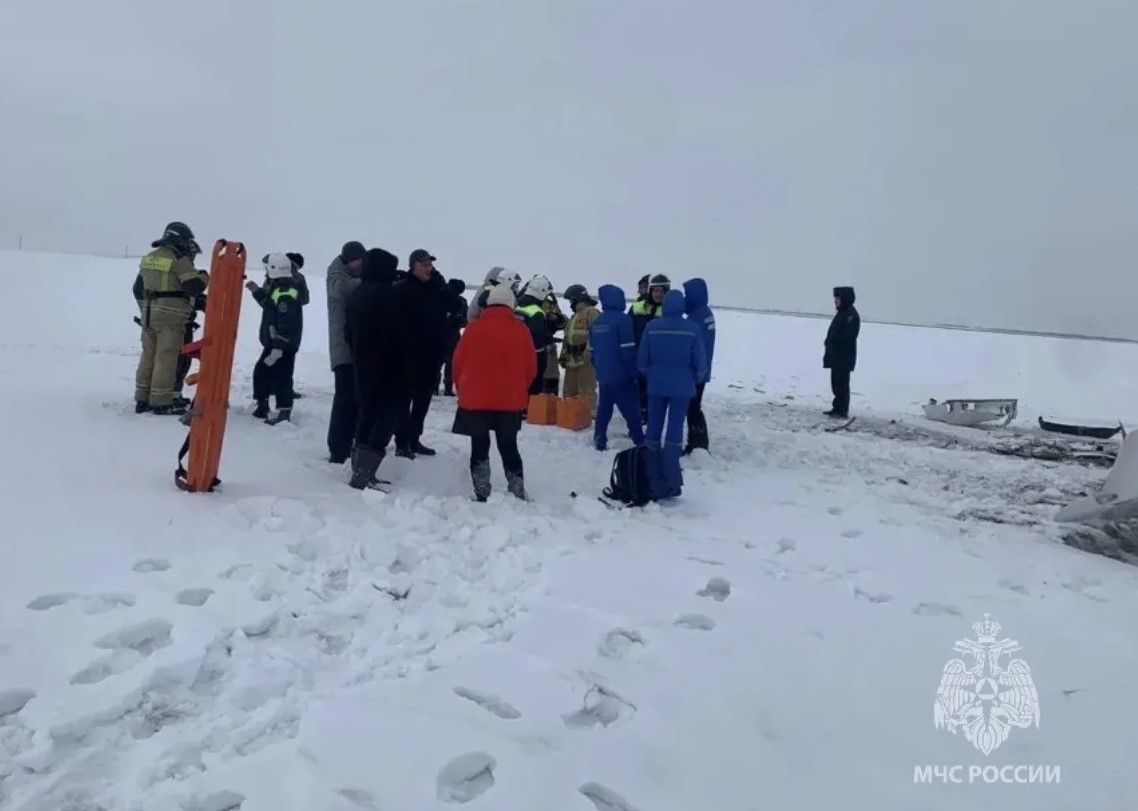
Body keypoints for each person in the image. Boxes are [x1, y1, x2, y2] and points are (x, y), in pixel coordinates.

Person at [451, 283, 537, 501]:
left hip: (475, 400)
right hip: (510, 401)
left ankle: (482, 491)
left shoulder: (473, 328)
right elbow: (531, 368)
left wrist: (463, 390)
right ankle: (517, 489)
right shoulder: (521, 330)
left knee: (479, 446)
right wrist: (518, 390)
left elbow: (457, 363)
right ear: (511, 304)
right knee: (509, 446)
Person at [345, 248, 409, 489]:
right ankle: (365, 471)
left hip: (362, 365)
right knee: (387, 417)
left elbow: (347, 332)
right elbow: (401, 334)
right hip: (390, 367)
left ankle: (359, 469)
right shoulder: (390, 296)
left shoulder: (357, 294)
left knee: (367, 414)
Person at [133, 221, 209, 415]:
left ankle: (142, 398)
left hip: (149, 315)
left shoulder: (150, 258)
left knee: (148, 356)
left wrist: (146, 309)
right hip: (171, 318)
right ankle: (161, 402)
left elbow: (138, 288)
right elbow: (193, 286)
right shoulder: (178, 259)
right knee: (166, 358)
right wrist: (204, 276)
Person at [638, 288, 707, 498]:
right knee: (675, 431)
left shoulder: (651, 327)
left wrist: (650, 375)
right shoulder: (692, 329)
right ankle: (671, 479)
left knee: (654, 428)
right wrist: (695, 379)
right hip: (682, 387)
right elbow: (700, 362)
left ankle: (649, 474)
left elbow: (642, 360)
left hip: (657, 385)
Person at [394, 249, 450, 458]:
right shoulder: (402, 289)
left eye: (430, 265)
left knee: (423, 401)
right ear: (413, 266)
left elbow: (453, 305)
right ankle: (402, 443)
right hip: (407, 357)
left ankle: (414, 439)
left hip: (431, 357)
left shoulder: (436, 289)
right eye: (424, 264)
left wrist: (441, 284)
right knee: (403, 401)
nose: (429, 268)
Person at [247, 253, 303, 424]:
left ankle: (284, 412)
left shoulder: (287, 292)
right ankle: (262, 406)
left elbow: (286, 323)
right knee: (262, 373)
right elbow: (270, 305)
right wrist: (257, 291)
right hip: (274, 343)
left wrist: (278, 347)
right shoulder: (278, 287)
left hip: (282, 346)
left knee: (282, 377)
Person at [589, 285, 645, 451]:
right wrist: (634, 373)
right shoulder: (624, 320)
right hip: (622, 375)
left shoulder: (597, 321)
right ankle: (639, 439)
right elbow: (628, 351)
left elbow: (592, 351)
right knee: (631, 409)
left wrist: (599, 370)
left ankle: (599, 437)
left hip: (604, 374)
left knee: (604, 408)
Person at [326, 241, 366, 463]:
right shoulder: (337, 273)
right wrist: (369, 282)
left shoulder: (348, 272)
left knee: (354, 399)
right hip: (343, 349)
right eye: (357, 262)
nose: (360, 265)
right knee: (344, 399)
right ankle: (338, 448)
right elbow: (339, 289)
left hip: (354, 348)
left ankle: (347, 442)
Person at [682, 278, 716, 453]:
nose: (685, 298)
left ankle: (698, 444)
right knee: (694, 406)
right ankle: (697, 443)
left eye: (687, 294)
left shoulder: (696, 318)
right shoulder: (705, 313)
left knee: (692, 407)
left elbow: (694, 347)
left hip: (695, 371)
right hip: (702, 370)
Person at [630, 273, 670, 421]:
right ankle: (639, 416)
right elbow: (628, 330)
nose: (658, 294)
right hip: (638, 355)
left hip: (657, 360)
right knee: (637, 390)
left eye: (662, 291)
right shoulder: (637, 307)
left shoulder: (669, 311)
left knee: (652, 391)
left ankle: (650, 417)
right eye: (656, 290)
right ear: (650, 291)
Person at [560, 284, 600, 409]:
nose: (570, 304)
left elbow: (598, 336)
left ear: (577, 299)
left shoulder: (592, 313)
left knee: (586, 391)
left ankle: (588, 416)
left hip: (586, 361)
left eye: (571, 300)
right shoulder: (573, 317)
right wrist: (563, 354)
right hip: (571, 360)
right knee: (569, 393)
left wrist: (590, 352)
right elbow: (567, 338)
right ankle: (568, 415)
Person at [823, 286, 860, 418]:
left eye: (837, 299)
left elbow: (848, 336)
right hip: (837, 357)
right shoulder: (842, 313)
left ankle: (842, 410)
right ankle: (837, 408)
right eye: (835, 299)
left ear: (844, 299)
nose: (835, 302)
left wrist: (834, 341)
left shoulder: (850, 315)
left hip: (843, 357)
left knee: (841, 385)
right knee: (836, 384)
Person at [514, 275, 554, 395]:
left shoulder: (516, 307)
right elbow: (538, 344)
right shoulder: (536, 312)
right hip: (531, 360)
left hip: (515, 356)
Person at [441, 278, 468, 396]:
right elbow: (465, 321)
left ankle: (435, 387)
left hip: (443, 334)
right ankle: (446, 387)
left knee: (441, 362)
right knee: (450, 363)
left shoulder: (442, 299)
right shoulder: (461, 302)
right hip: (452, 335)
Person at [541, 292, 567, 394]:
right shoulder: (549, 301)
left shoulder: (550, 302)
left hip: (548, 349)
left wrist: (556, 318)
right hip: (539, 349)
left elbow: (561, 323)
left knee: (550, 382)